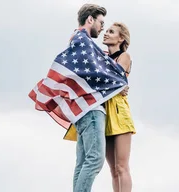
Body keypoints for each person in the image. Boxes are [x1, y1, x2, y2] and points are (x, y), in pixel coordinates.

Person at [69, 4, 109, 192]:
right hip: (91, 108)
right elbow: (95, 71)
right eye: (101, 22)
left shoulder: (75, 39)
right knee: (95, 159)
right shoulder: (83, 41)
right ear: (90, 19)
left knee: (83, 161)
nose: (102, 28)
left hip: (81, 110)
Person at [102, 22, 135, 192]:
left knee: (122, 166)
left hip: (119, 112)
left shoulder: (125, 56)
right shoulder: (101, 58)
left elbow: (114, 77)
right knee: (113, 169)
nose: (106, 33)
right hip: (104, 112)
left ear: (121, 38)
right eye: (106, 30)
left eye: (111, 32)